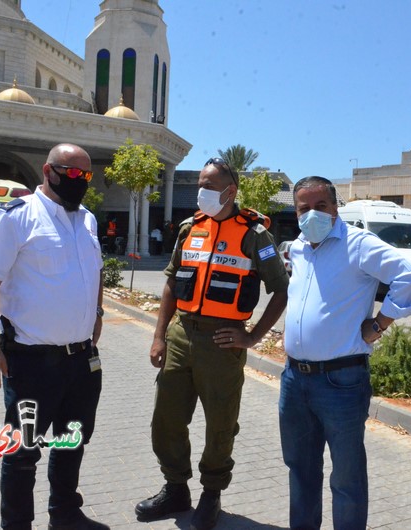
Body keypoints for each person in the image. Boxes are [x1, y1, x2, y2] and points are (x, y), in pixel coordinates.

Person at [135, 157, 289, 530]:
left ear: (230, 191)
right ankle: (175, 488)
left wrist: (252, 336)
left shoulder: (255, 234)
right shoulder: (191, 228)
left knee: (220, 423)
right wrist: (159, 335)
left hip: (222, 341)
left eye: (208, 185)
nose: (201, 192)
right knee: (166, 419)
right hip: (181, 333)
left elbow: (281, 290)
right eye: (200, 184)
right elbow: (172, 281)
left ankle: (211, 494)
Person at [0, 143, 109, 530]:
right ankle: (16, 525)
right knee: (22, 452)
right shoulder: (16, 217)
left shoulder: (87, 220)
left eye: (88, 176)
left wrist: (97, 312)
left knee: (72, 441)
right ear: (49, 171)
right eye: (75, 174)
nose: (82, 182)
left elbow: (95, 271)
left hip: (81, 360)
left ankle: (64, 513)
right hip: (31, 362)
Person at [280, 176, 411, 530]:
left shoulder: (358, 244)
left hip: (340, 381)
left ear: (335, 208)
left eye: (321, 206)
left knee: (346, 478)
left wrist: (380, 324)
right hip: (293, 378)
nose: (312, 214)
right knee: (300, 469)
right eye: (304, 208)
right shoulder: (298, 247)